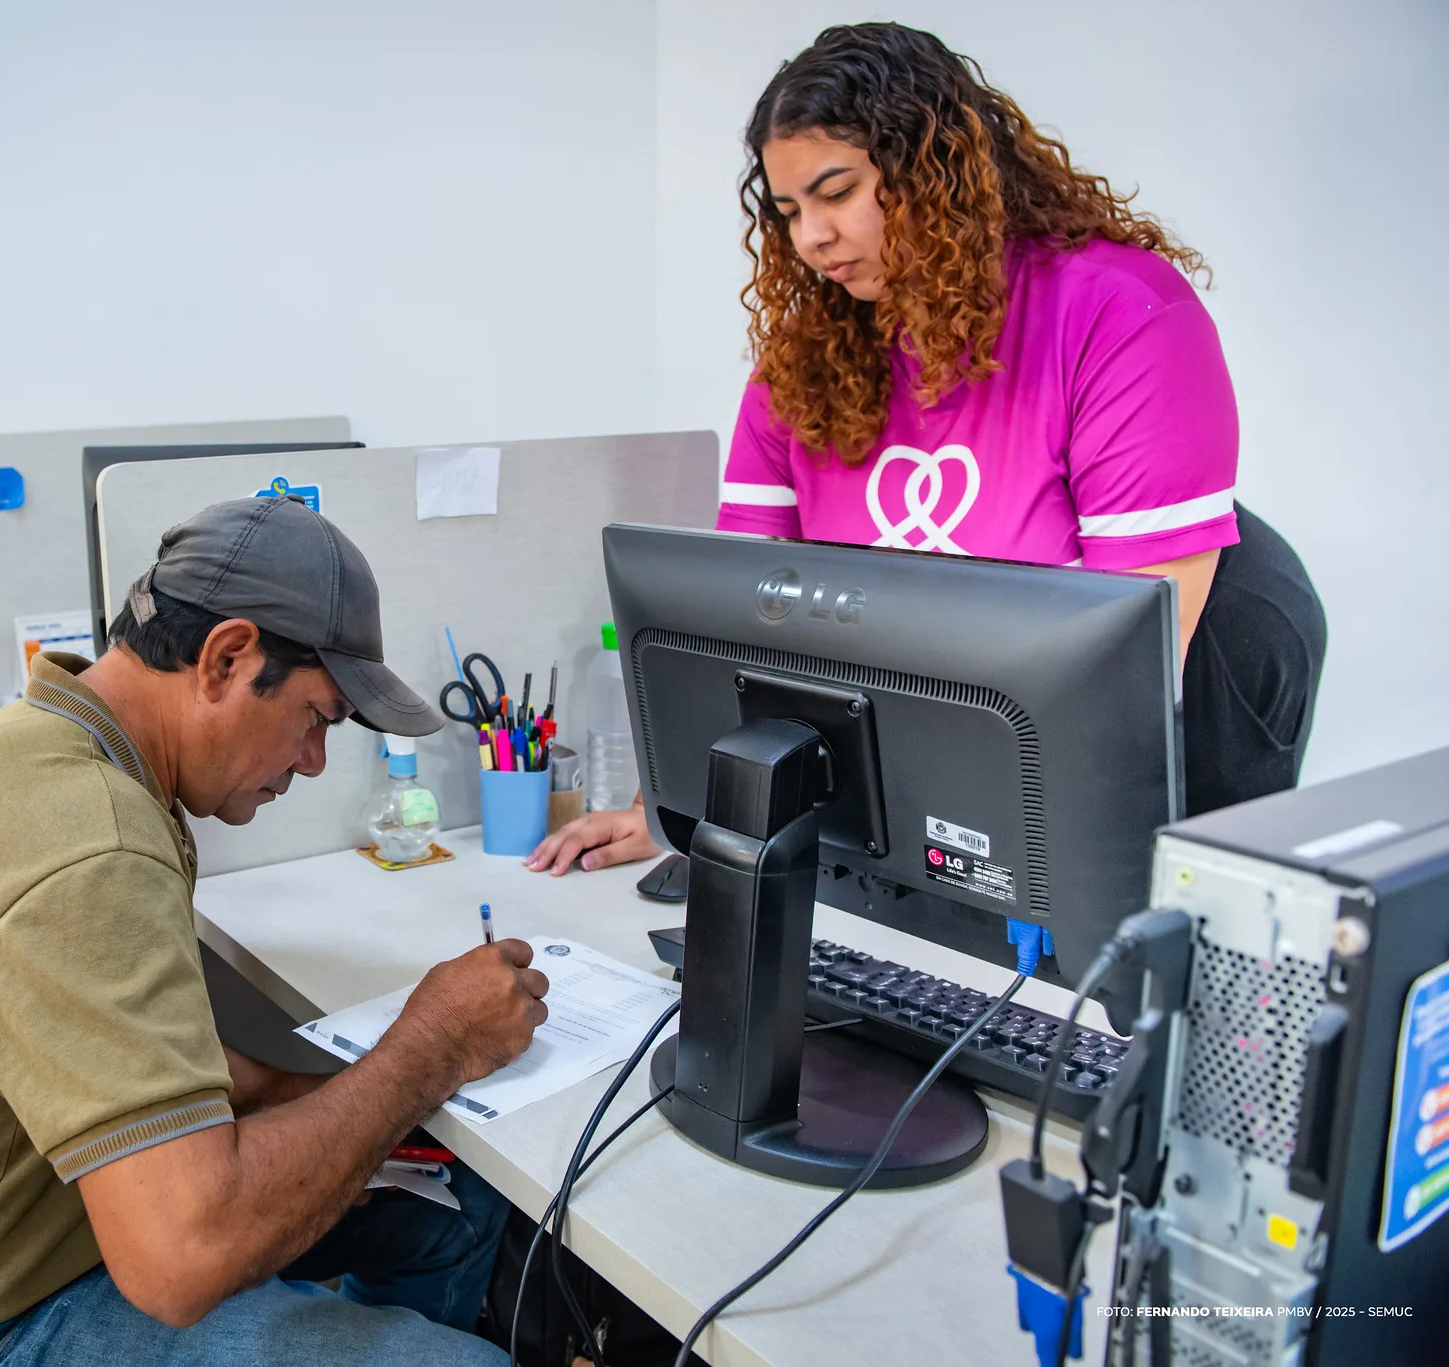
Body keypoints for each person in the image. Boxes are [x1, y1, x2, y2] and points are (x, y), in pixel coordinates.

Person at [530, 21, 1321, 878]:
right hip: (978, 684)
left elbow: (1123, 660)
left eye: (837, 192)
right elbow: (737, 611)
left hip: (1196, 656)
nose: (810, 238)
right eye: (789, 210)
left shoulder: (1121, 311)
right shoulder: (804, 358)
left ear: (929, 167)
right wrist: (677, 807)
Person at [0, 495, 548, 1367]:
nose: (312, 761)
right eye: (317, 717)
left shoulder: (57, 741)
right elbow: (184, 1260)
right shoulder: (86, 844)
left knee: (451, 1206)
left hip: (35, 1227)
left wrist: (286, 1093)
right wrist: (434, 1046)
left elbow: (102, 1043)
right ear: (227, 657)